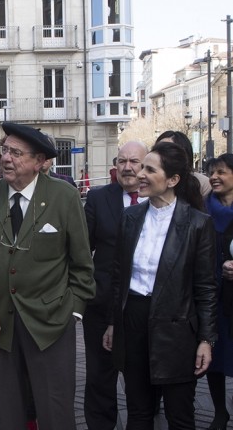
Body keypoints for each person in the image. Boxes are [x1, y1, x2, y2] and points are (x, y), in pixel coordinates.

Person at [0, 122, 95, 429]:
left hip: (52, 325)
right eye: (3, 150)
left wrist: (73, 312)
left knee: (56, 412)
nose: (5, 158)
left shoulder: (64, 197)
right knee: (8, 413)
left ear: (39, 161)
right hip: (4, 324)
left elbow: (82, 264)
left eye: (15, 152)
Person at [103, 141, 217, 429]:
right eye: (142, 167)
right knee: (138, 411)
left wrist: (206, 340)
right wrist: (114, 323)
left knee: (180, 415)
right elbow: (119, 277)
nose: (140, 174)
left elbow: (205, 288)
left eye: (150, 169)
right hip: (134, 321)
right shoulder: (130, 218)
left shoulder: (197, 224)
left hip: (176, 328)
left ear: (173, 180)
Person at [82, 140, 147, 430]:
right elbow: (83, 250)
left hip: (141, 306)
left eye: (134, 161)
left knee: (140, 377)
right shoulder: (98, 198)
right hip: (101, 304)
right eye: (122, 161)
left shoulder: (160, 200)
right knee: (99, 378)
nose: (127, 168)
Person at [203, 153, 233, 430]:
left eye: (222, 172)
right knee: (215, 357)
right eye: (212, 172)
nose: (214, 177)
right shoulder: (203, 211)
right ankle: (219, 412)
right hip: (212, 297)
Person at [156, 130, 212, 197]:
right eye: (157, 150)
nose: (160, 155)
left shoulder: (202, 184)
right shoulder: (149, 179)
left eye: (167, 150)